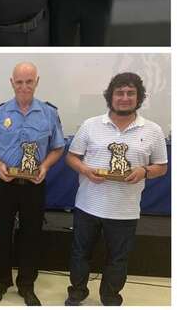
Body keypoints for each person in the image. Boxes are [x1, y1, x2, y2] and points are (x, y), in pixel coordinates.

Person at [64, 72, 167, 306]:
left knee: (118, 259)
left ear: (139, 97)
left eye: (131, 93)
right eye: (119, 92)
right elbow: (71, 157)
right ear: (110, 96)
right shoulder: (91, 125)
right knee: (80, 254)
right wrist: (86, 170)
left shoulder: (153, 130)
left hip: (125, 210)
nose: (124, 97)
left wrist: (144, 171)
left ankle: (110, 298)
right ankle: (77, 293)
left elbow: (161, 167)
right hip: (88, 205)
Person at [0, 62, 65, 306]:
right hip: (5, 183)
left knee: (31, 235)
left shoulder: (49, 113)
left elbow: (58, 147)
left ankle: (27, 285)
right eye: (19, 82)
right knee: (1, 233)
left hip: (34, 185)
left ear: (37, 82)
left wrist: (45, 166)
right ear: (12, 83)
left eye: (29, 81)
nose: (24, 86)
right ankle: (0, 282)